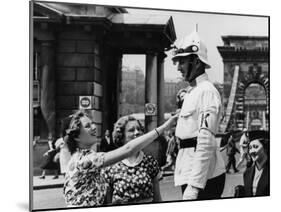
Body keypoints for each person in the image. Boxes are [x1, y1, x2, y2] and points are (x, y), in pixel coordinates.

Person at [63, 110, 178, 207]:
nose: (94, 127)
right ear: (76, 136)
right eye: (88, 126)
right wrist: (164, 127)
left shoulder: (84, 156)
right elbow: (128, 149)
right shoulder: (84, 160)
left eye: (92, 123)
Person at [171, 30, 226, 200]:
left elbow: (206, 141)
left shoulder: (207, 92)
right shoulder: (194, 92)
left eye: (182, 61)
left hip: (203, 177)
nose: (178, 67)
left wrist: (194, 186)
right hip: (190, 169)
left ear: (196, 61)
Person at [102, 116, 161, 205]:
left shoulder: (150, 162)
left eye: (139, 129)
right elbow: (107, 201)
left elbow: (158, 199)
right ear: (121, 136)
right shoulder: (111, 165)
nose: (137, 132)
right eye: (131, 130)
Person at [235, 130, 269, 197]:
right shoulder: (247, 173)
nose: (251, 151)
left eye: (255, 147)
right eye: (250, 148)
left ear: (265, 148)